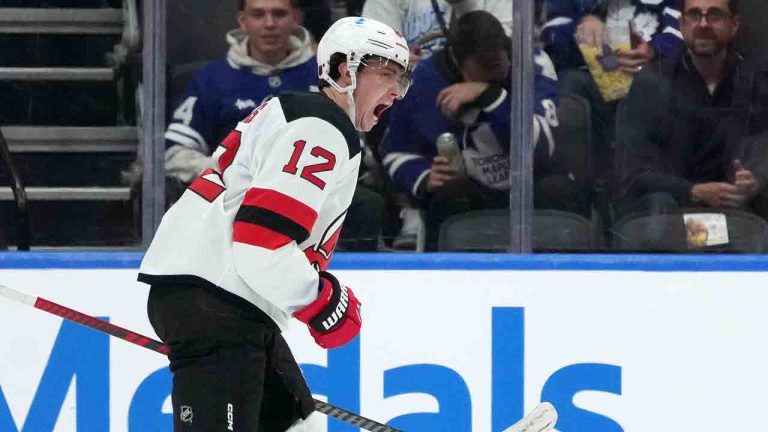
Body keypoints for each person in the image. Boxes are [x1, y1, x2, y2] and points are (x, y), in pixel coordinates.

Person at [138, 17, 411, 431]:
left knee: (297, 425)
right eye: (387, 74)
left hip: (219, 299)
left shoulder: (299, 114)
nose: (396, 91)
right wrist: (320, 301)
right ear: (345, 71)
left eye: (401, 79)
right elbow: (262, 241)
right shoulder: (321, 126)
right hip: (220, 302)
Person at [382, 11, 586, 250]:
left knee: (559, 191)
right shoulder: (423, 81)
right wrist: (425, 175)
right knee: (449, 197)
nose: (494, 74)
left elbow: (543, 148)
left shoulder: (533, 63)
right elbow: (395, 150)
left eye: (498, 65)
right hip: (470, 192)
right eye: (484, 69)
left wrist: (492, 97)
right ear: (458, 63)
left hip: (534, 182)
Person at [615, 0, 768, 221]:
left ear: (734, 25)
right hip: (670, 211)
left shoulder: (757, 82)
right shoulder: (652, 83)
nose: (703, 24)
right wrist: (694, 192)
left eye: (715, 15)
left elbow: (763, 145)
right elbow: (632, 171)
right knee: (655, 205)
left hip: (739, 211)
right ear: (681, 24)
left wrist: (757, 180)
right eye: (695, 15)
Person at [164, 0, 316, 194]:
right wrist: (231, 175)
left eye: (279, 14)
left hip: (313, 200)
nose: (269, 24)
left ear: (296, 18)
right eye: (258, 15)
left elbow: (350, 151)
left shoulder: (325, 75)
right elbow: (175, 154)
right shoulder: (211, 79)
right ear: (243, 21)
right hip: (232, 201)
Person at [541, 0, 685, 185]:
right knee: (569, 84)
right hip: (594, 82)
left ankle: (651, 183)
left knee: (657, 85)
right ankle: (577, 185)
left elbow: (687, 26)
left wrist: (655, 50)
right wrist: (583, 25)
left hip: (654, 78)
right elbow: (550, 38)